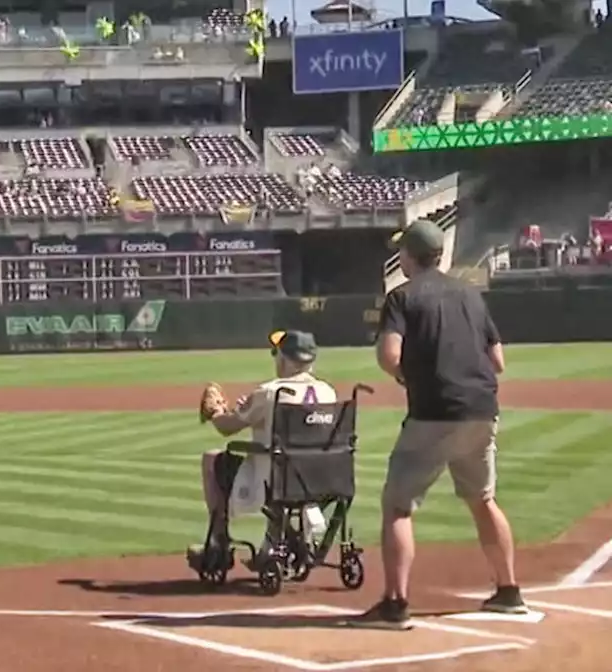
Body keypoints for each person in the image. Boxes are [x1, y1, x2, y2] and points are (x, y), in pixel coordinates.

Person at [357, 219, 524, 631]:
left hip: (433, 412)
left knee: (397, 505)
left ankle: (395, 603)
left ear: (409, 256)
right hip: (482, 410)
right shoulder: (470, 294)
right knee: (483, 499)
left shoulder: (401, 297)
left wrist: (408, 378)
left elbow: (388, 356)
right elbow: (498, 362)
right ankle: (509, 592)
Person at [198, 330, 337, 566]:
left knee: (212, 460)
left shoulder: (270, 391)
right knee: (282, 465)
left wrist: (216, 412)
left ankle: (218, 542)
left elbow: (227, 428)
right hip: (319, 479)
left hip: (275, 479)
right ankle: (273, 545)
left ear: (284, 359)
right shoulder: (328, 392)